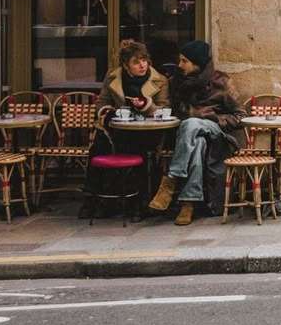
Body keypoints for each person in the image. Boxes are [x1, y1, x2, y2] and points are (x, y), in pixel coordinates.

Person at [148, 40, 245, 225]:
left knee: (192, 123)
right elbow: (171, 111)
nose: (179, 65)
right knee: (196, 140)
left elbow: (240, 116)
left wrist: (215, 119)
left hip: (217, 134)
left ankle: (171, 180)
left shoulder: (221, 82)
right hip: (189, 137)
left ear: (197, 62)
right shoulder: (177, 83)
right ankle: (188, 203)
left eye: (184, 61)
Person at [82, 40, 170, 219]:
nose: (142, 65)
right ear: (126, 64)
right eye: (136, 62)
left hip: (148, 132)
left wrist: (146, 105)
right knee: (98, 148)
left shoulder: (159, 80)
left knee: (140, 152)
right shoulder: (113, 77)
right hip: (117, 129)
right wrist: (108, 113)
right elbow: (102, 102)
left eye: (144, 60)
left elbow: (164, 109)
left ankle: (138, 204)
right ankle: (94, 201)